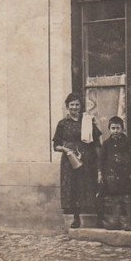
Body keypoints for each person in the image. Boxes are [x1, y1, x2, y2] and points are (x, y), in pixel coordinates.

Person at [52, 92, 102, 229]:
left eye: (77, 105)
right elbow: (55, 145)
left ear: (81, 106)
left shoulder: (87, 121)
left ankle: (98, 219)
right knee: (73, 188)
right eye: (72, 105)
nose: (74, 107)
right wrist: (67, 150)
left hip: (87, 158)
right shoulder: (62, 124)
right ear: (67, 107)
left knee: (89, 186)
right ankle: (76, 218)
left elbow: (97, 141)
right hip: (70, 160)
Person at [98, 115, 131, 231]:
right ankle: (115, 222)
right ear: (109, 129)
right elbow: (101, 159)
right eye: (113, 128)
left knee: (127, 198)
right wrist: (100, 173)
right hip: (112, 176)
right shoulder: (106, 144)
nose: (115, 131)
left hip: (125, 174)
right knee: (114, 199)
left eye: (118, 128)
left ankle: (130, 223)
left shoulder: (128, 142)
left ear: (122, 129)